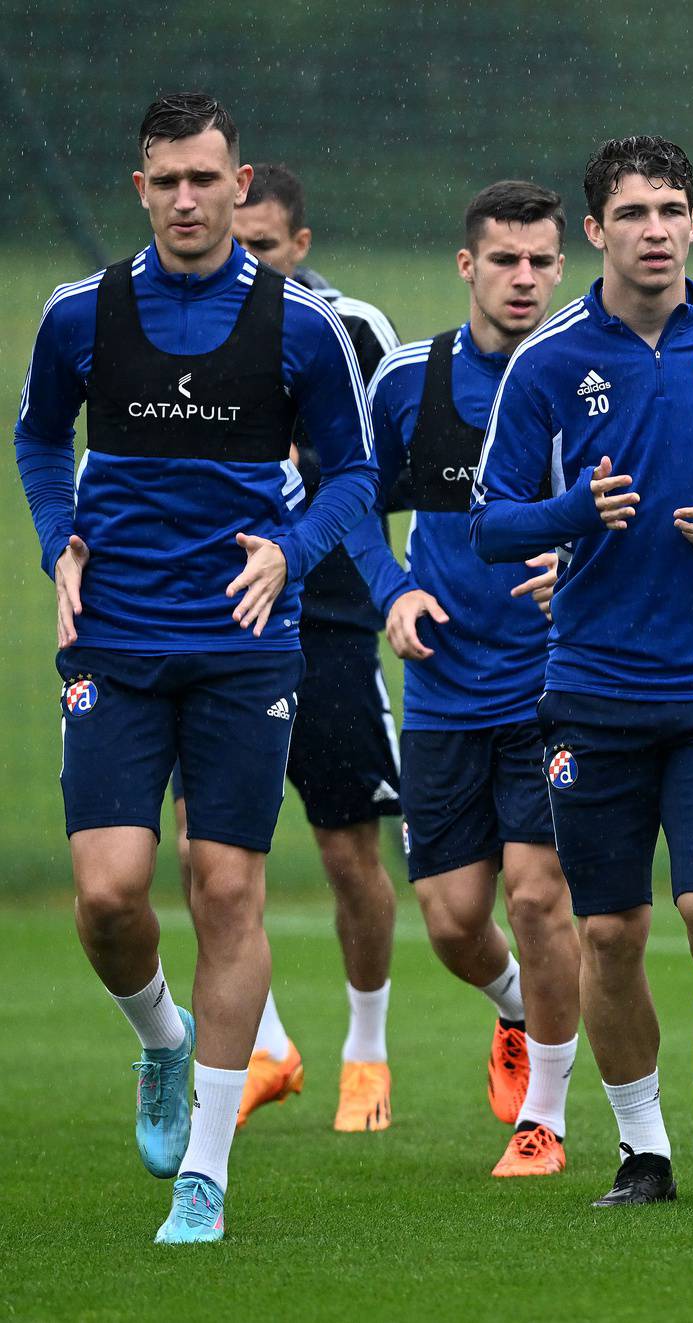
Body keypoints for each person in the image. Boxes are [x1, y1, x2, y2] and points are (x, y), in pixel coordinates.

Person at [12, 92, 376, 1242]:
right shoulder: (80, 316)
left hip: (242, 645)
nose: (185, 198)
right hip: (114, 637)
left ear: (238, 181)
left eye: (204, 179)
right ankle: (163, 1042)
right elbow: (36, 439)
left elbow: (354, 481)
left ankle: (206, 1176)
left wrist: (291, 546)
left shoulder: (301, 329)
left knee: (226, 889)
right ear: (141, 190)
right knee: (112, 896)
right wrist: (57, 536)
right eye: (165, 180)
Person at [470, 135, 693, 1208]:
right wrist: (577, 513)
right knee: (610, 930)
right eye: (633, 213)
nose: (657, 230)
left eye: (673, 208)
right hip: (594, 684)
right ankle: (644, 1152)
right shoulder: (549, 362)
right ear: (596, 232)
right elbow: (491, 526)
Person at [350, 181, 583, 1175]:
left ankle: (548, 1116)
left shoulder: (588, 374)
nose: (522, 279)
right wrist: (393, 592)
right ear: (467, 266)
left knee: (538, 900)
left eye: (539, 261)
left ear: (562, 267)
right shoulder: (409, 380)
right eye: (504, 260)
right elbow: (354, 498)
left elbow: (633, 505)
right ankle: (519, 1012)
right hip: (443, 688)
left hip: (552, 684)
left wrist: (575, 564)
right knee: (451, 922)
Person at [171, 160, 405, 1134]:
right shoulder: (181, 324)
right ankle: (268, 1043)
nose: (251, 262)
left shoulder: (351, 331)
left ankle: (367, 1049)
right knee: (204, 850)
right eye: (240, 244)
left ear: (299, 246)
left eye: (266, 247)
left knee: (349, 852)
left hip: (335, 615)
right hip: (216, 620)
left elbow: (375, 470)